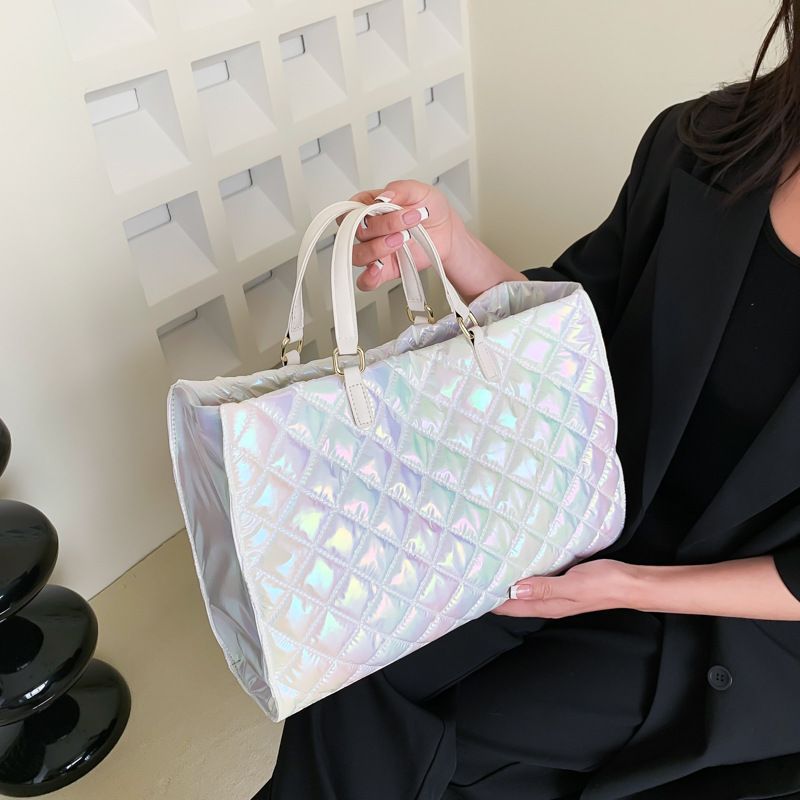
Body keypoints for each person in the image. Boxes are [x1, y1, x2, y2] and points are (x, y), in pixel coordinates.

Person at [256, 2, 800, 797]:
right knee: (353, 662)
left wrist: (628, 587)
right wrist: (452, 245)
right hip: (584, 505)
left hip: (741, 619)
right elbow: (581, 332)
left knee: (467, 740)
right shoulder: (704, 141)